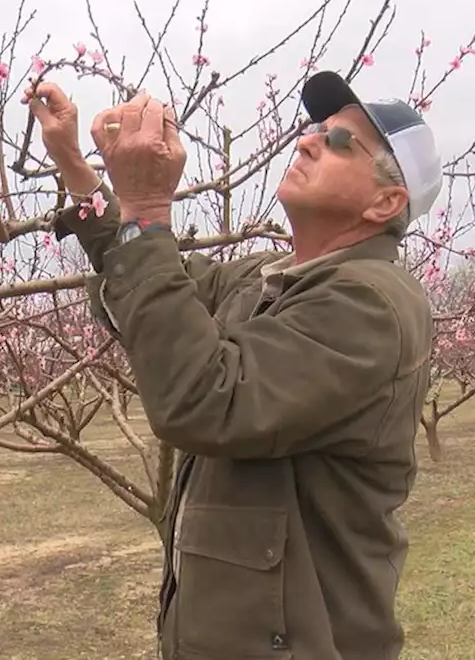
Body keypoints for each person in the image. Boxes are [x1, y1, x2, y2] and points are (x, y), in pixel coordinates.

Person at [22, 70, 440, 660]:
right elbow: (152, 288)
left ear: (386, 202)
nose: (308, 140)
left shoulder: (370, 303)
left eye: (341, 141)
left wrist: (146, 207)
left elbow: (206, 401)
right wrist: (76, 168)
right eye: (316, 128)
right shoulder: (267, 277)